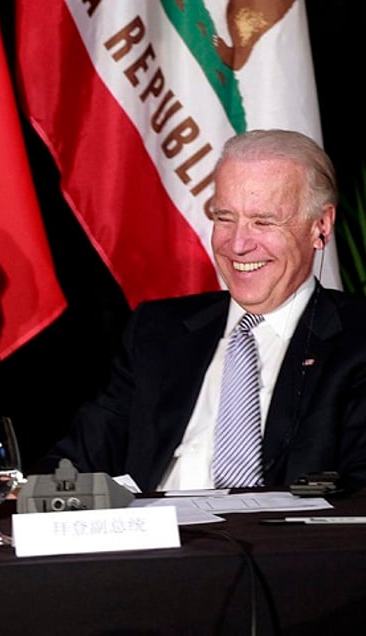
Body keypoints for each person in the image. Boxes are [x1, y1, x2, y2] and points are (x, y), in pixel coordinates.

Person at [38, 128, 366, 493]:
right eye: (224, 218)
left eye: (263, 222)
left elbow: (357, 492)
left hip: (275, 530)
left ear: (321, 226)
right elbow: (74, 464)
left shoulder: (356, 341)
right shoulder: (157, 331)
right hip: (151, 525)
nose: (237, 244)